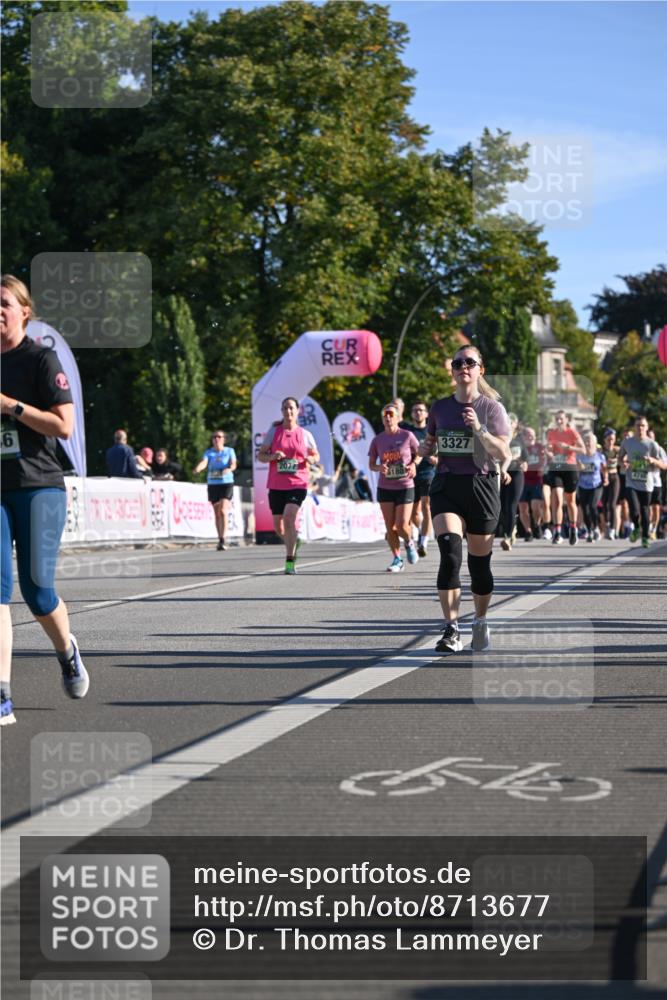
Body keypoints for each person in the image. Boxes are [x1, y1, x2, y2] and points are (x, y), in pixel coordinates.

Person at [1, 274, 89, 727]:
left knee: (37, 591)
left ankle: (66, 650)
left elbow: (64, 427)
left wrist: (10, 406)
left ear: (23, 312)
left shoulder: (40, 359)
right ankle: (2, 694)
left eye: (3, 304)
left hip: (38, 486)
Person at [419, 345, 511, 653]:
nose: (463, 367)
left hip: (481, 487)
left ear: (480, 369)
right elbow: (430, 443)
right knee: (450, 554)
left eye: (469, 362)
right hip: (447, 485)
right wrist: (424, 449)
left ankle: (481, 619)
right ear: (453, 370)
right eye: (457, 363)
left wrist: (479, 430)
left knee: (479, 565)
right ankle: (451, 629)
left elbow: (503, 452)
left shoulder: (491, 409)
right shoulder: (439, 408)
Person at [257, 397, 319, 574]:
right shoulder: (274, 432)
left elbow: (316, 455)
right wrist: (272, 456)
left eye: (291, 408)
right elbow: (261, 456)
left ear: (297, 411)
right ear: (282, 411)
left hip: (298, 482)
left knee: (289, 516)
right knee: (278, 527)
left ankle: (290, 561)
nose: (288, 411)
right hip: (277, 484)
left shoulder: (305, 435)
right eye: (285, 408)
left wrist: (311, 459)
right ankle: (294, 541)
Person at [368, 403, 420, 572]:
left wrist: (413, 465)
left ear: (398, 417)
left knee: (402, 525)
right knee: (389, 526)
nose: (388, 417)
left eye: (391, 414)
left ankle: (410, 543)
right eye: (385, 415)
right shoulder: (378, 440)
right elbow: (371, 465)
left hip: (405, 485)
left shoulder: (407, 435)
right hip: (385, 487)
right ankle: (397, 559)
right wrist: (379, 468)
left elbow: (419, 453)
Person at [618, 416, 667, 548]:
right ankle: (636, 528)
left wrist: (653, 461)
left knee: (645, 510)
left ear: (646, 427)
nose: (640, 428)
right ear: (634, 427)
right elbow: (620, 458)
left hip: (647, 483)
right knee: (634, 510)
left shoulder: (652, 445)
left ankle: (645, 537)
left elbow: (663, 465)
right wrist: (623, 463)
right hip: (631, 481)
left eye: (643, 425)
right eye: (638, 425)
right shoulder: (627, 443)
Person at [545, 410, 586, 545]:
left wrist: (568, 447)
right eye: (557, 419)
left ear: (566, 420)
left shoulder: (572, 432)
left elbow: (583, 449)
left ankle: (573, 528)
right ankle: (557, 531)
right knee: (556, 497)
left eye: (561, 419)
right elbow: (549, 448)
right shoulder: (551, 433)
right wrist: (549, 452)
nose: (559, 421)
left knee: (570, 501)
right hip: (556, 467)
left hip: (569, 467)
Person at [193, 430, 237, 550]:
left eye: (219, 437)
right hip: (213, 484)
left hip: (226, 483)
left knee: (223, 510)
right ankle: (220, 539)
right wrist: (198, 468)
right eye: (214, 437)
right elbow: (204, 462)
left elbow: (233, 464)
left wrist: (229, 469)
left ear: (224, 439)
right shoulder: (209, 452)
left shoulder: (229, 451)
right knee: (217, 513)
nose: (216, 439)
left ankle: (224, 538)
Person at [405, 400, 437, 557]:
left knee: (426, 507)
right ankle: (421, 531)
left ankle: (423, 542)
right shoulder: (408, 432)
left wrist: (436, 460)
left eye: (421, 410)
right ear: (411, 414)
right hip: (411, 475)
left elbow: (442, 453)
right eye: (415, 410)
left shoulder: (431, 432)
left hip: (428, 474)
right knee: (413, 513)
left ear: (426, 414)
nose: (418, 413)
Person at [499, 413, 528, 551]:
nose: (508, 424)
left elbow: (525, 458)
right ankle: (512, 528)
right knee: (503, 506)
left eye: (511, 422)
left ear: (516, 424)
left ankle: (508, 536)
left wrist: (523, 463)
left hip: (516, 474)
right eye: (506, 421)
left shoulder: (520, 439)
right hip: (501, 474)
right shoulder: (500, 437)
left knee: (511, 505)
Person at [518, 426, 547, 541]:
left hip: (536, 480)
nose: (530, 436)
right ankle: (528, 531)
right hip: (522, 480)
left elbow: (546, 460)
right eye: (527, 434)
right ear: (523, 436)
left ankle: (537, 524)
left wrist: (544, 467)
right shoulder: (519, 448)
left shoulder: (540, 447)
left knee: (536, 507)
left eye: (531, 434)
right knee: (523, 508)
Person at [577, 432, 607, 542]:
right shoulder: (579, 456)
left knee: (592, 506)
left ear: (595, 443)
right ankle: (589, 530)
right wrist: (578, 468)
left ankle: (596, 528)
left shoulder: (600, 456)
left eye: (590, 441)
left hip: (596, 485)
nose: (587, 443)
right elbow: (576, 471)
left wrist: (606, 477)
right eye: (585, 441)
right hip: (583, 485)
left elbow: (604, 469)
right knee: (584, 509)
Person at [601, 428, 621, 538]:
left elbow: (625, 458)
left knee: (612, 504)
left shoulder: (618, 450)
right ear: (605, 440)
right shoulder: (601, 451)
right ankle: (607, 524)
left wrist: (622, 460)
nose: (611, 442)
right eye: (609, 439)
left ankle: (613, 529)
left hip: (614, 477)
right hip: (604, 477)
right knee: (604, 503)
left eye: (612, 439)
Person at [647, 429, 667, 540]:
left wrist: (655, 462)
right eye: (648, 436)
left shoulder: (659, 449)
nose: (650, 439)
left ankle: (654, 530)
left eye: (651, 437)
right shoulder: (642, 448)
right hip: (644, 482)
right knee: (647, 507)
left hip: (656, 482)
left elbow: (665, 466)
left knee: (655, 507)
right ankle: (647, 527)